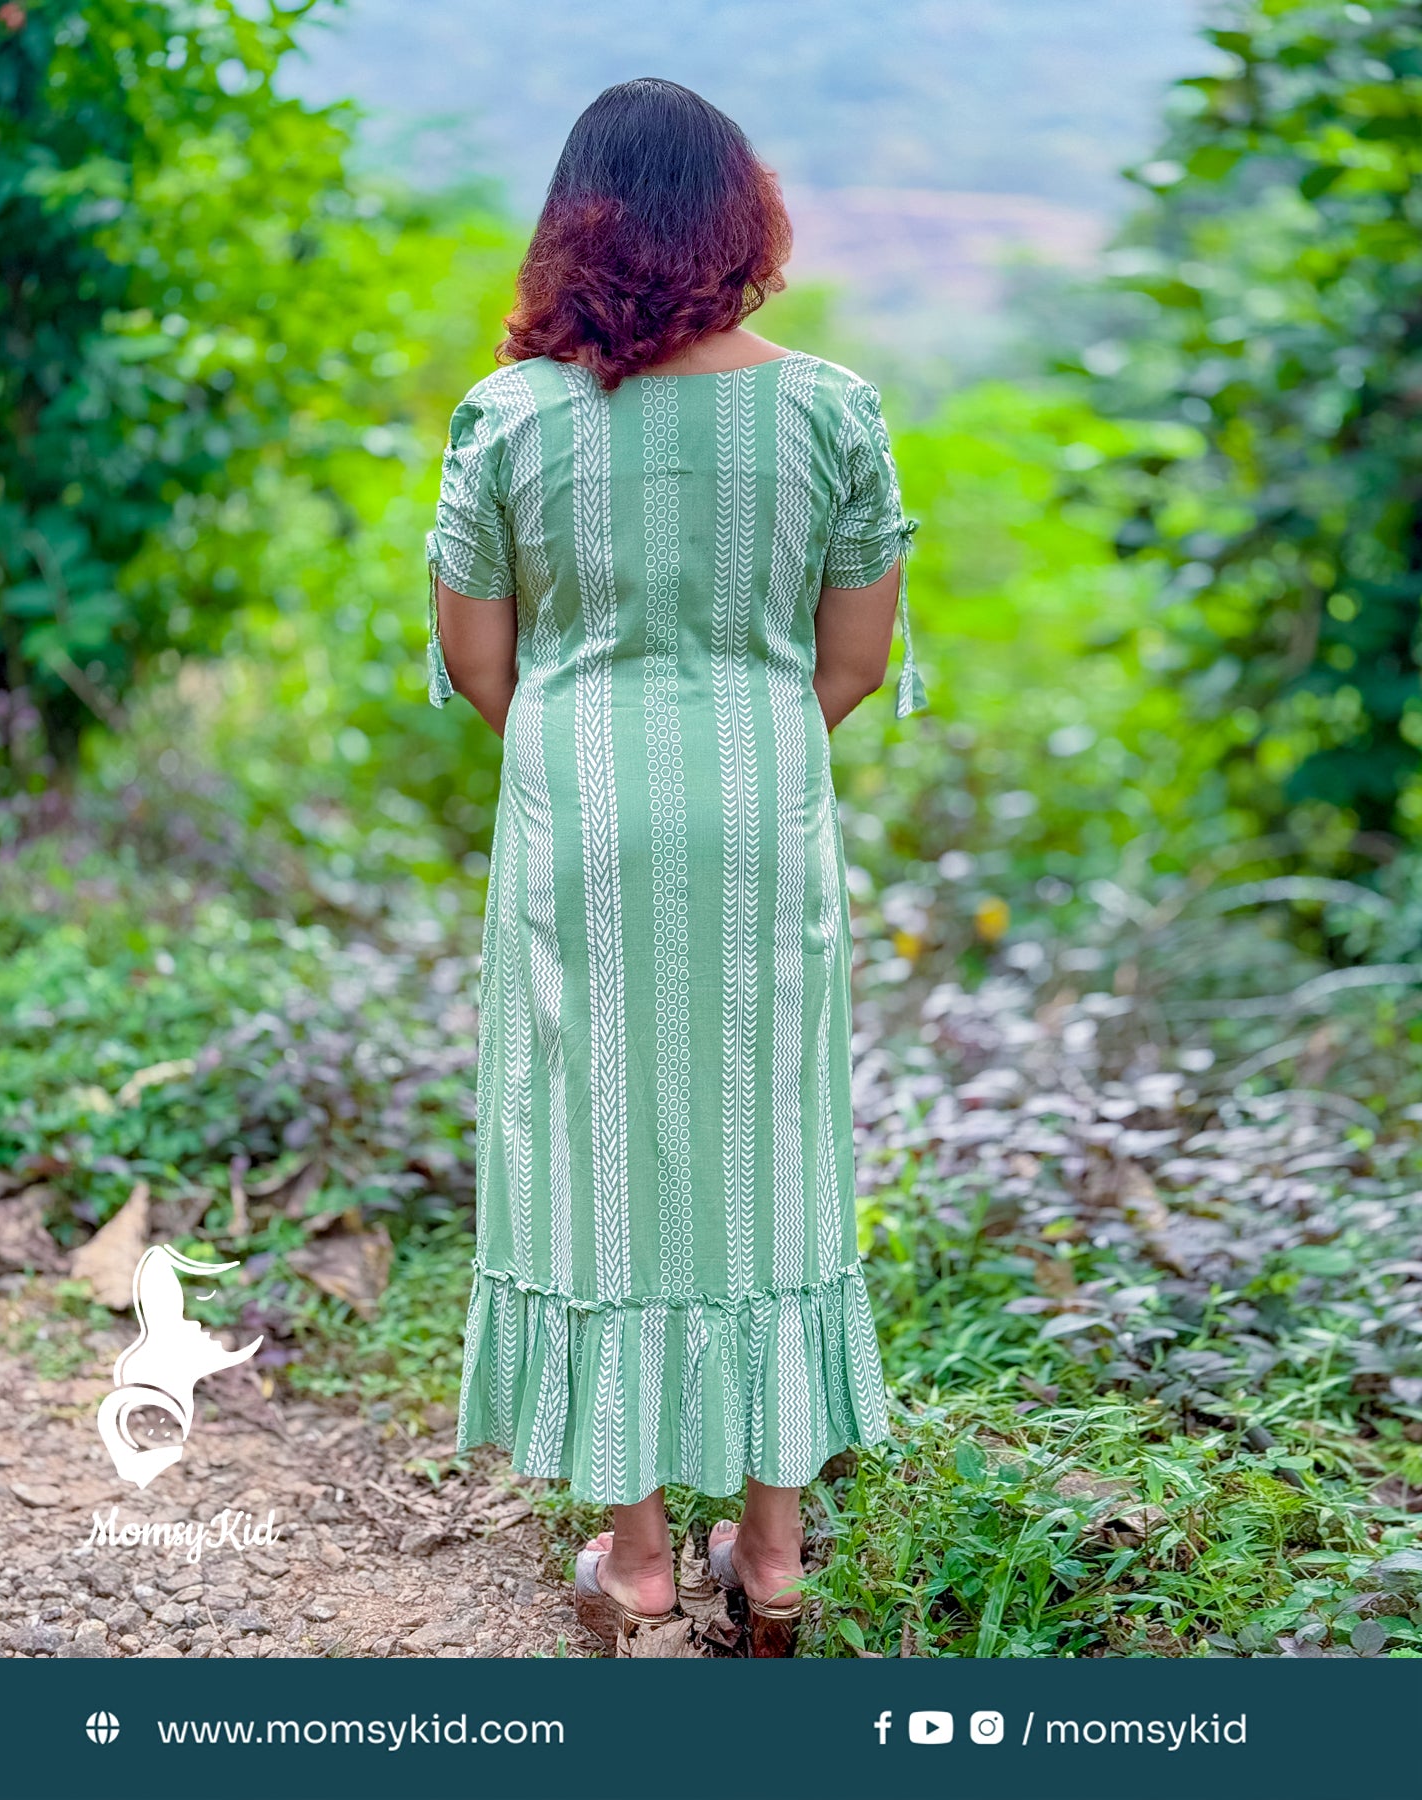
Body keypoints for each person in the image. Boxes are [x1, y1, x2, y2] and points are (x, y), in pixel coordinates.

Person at [425, 76, 926, 1656]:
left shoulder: (510, 417)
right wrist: (745, 732)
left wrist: (595, 734)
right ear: (745, 221)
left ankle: (637, 1560)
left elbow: (479, 661)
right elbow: (849, 663)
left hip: (580, 815)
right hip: (759, 811)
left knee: (593, 1145)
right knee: (770, 1142)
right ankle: (772, 1558)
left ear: (573, 226)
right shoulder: (832, 409)